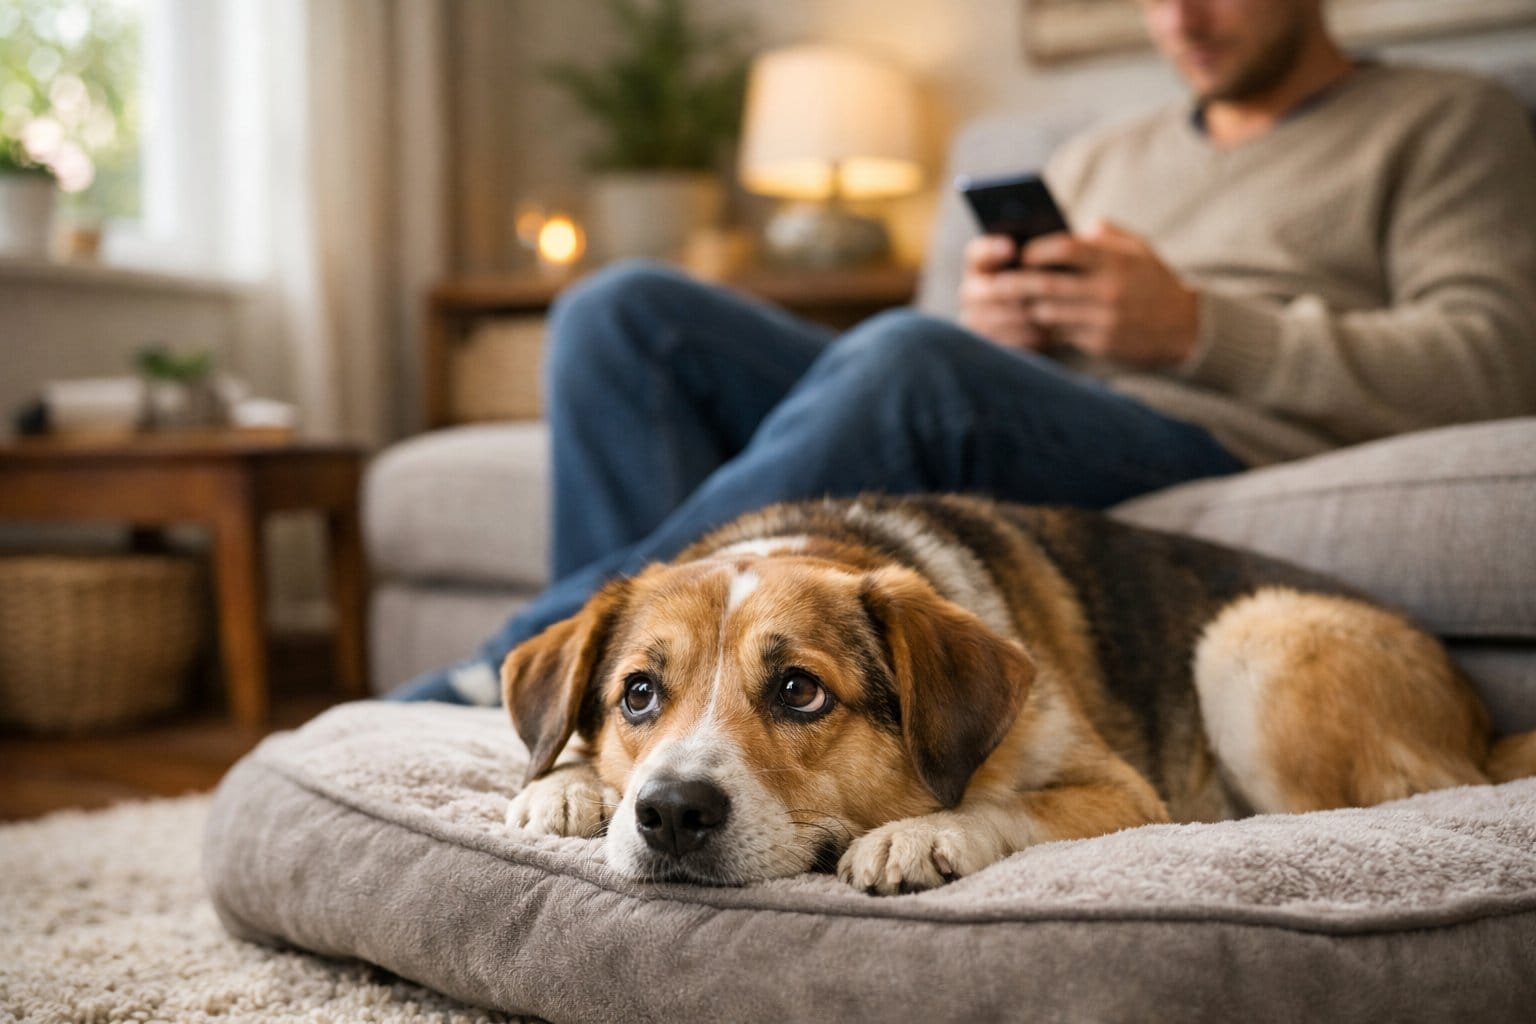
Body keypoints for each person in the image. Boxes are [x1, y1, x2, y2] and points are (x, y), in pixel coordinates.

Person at [395, 0, 1536, 704]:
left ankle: (523, 663)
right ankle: (632, 708)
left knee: (912, 365)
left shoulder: (1447, 121)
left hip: (1212, 437)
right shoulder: (1107, 152)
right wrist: (997, 327)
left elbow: (1492, 362)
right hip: (1034, 408)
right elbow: (940, 355)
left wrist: (1193, 328)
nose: (1180, 16)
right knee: (622, 310)